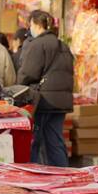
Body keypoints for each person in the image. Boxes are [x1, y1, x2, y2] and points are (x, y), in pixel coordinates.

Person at [17, 10, 73, 167]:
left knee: (35, 141)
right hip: (60, 102)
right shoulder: (63, 45)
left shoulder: (38, 44)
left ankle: (33, 175)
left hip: (43, 100)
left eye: (30, 25)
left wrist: (19, 86)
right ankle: (63, 175)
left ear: (35, 24)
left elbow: (27, 73)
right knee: (55, 140)